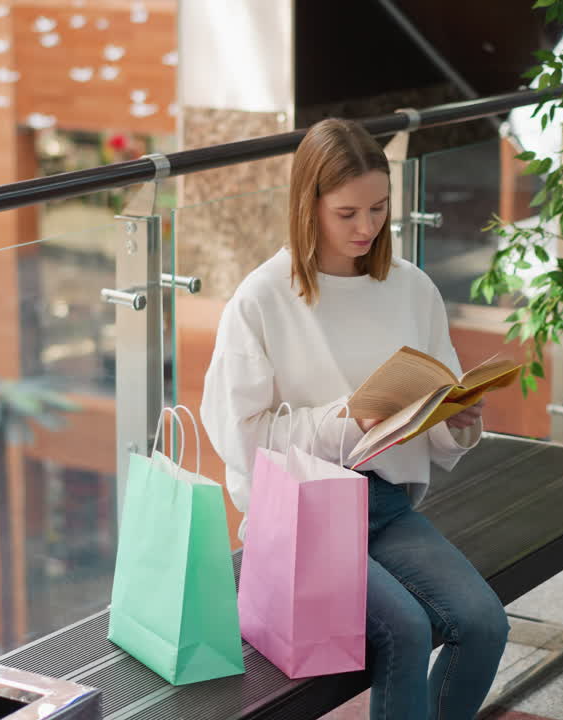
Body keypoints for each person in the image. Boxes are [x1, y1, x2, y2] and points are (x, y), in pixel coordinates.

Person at [200, 118, 509, 720]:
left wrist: (460, 420)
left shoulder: (413, 289)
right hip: (298, 520)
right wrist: (349, 419)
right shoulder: (261, 299)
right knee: (407, 631)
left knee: (483, 623)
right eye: (348, 213)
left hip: (384, 504)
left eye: (379, 208)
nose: (367, 227)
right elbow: (241, 440)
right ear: (308, 206)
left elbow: (437, 421)